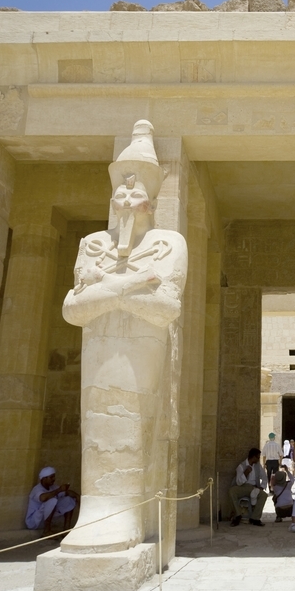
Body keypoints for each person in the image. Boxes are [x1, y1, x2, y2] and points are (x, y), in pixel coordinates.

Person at [59, 120, 188, 554]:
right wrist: (130, 285)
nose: (127, 200)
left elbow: (166, 308)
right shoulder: (93, 243)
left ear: (151, 201)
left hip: (143, 350)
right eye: (121, 193)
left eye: (135, 193)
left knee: (137, 422)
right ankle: (101, 512)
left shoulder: (169, 243)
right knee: (98, 421)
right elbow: (74, 309)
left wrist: (105, 286)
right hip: (99, 344)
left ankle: (128, 513)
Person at [26, 467, 79, 535]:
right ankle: (46, 531)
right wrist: (59, 490)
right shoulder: (37, 489)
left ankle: (66, 530)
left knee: (68, 500)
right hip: (34, 522)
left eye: (54, 477)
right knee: (52, 500)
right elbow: (43, 498)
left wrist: (77, 496)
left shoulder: (53, 487)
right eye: (51, 477)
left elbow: (67, 493)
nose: (54, 479)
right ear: (44, 478)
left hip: (44, 521)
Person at [229, 448, 267, 527]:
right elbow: (238, 482)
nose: (258, 459)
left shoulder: (257, 466)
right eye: (257, 457)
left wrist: (262, 487)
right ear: (253, 457)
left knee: (264, 495)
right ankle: (237, 515)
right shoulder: (241, 466)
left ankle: (255, 518)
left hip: (254, 488)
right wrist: (245, 473)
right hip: (243, 487)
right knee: (232, 491)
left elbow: (264, 477)